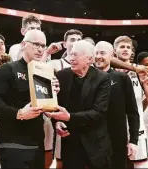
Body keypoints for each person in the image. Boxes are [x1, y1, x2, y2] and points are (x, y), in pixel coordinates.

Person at [0, 30, 59, 169]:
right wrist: (19, 113)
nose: (40, 49)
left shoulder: (45, 73)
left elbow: (46, 108)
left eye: (43, 46)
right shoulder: (7, 70)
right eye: (36, 44)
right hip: (13, 144)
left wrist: (54, 94)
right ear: (23, 44)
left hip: (38, 144)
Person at [47, 40, 112, 169]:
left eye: (75, 55)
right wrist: (57, 122)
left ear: (89, 59)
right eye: (70, 54)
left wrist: (68, 117)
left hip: (96, 146)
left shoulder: (102, 78)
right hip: (71, 145)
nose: (71, 58)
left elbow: (98, 113)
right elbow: (56, 106)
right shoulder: (61, 75)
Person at [94, 41, 140, 169]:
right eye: (96, 53)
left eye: (102, 53)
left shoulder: (122, 78)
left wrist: (133, 141)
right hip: (92, 142)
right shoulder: (86, 77)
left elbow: (132, 112)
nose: (98, 56)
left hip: (117, 141)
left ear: (112, 55)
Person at [113, 36, 148, 168]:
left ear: (132, 52)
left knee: (140, 165)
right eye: (122, 47)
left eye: (128, 47)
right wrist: (135, 67)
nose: (126, 49)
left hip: (137, 127)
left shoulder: (141, 72)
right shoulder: (108, 70)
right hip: (114, 127)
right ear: (114, 51)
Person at [47, 29, 83, 169]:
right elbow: (39, 70)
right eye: (72, 39)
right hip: (62, 117)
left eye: (78, 39)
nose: (75, 42)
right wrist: (47, 53)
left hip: (82, 118)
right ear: (65, 43)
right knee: (61, 160)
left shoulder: (88, 64)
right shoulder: (56, 64)